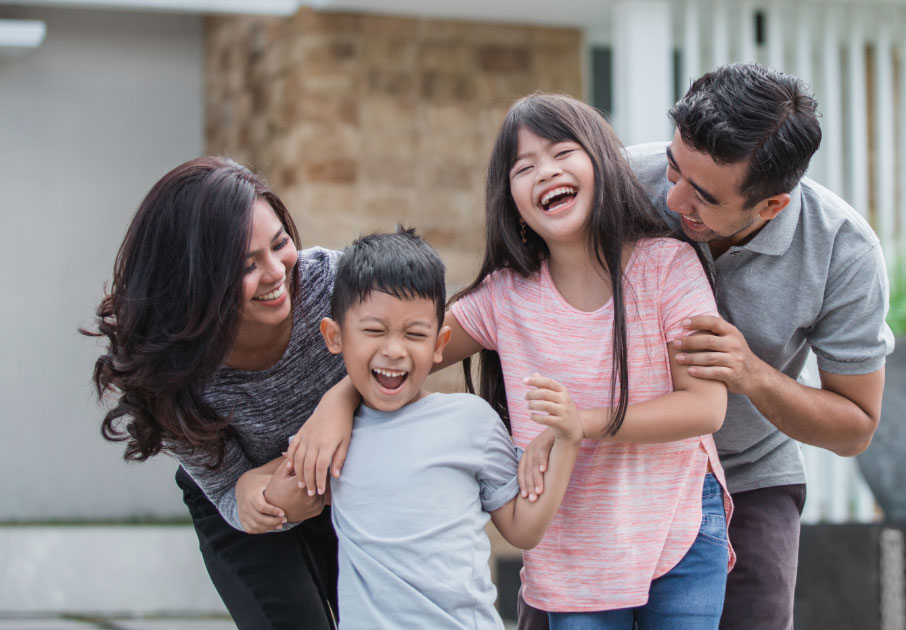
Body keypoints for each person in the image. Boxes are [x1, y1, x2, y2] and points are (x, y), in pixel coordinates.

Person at [287, 94, 735, 630]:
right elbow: (410, 350)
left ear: (602, 162)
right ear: (512, 199)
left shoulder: (667, 266)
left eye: (562, 153)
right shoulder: (504, 296)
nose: (545, 172)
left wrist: (582, 424)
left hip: (676, 523)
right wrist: (337, 400)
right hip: (570, 544)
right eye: (524, 167)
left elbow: (706, 408)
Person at [516, 63, 895, 630]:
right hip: (604, 470)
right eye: (673, 169)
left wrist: (754, 375)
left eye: (704, 197)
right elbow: (505, 294)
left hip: (745, 474)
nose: (671, 201)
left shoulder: (843, 252)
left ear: (771, 207)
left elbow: (856, 426)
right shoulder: (615, 183)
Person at [87, 156, 360, 629]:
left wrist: (342, 399)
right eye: (246, 265)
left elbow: (411, 357)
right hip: (237, 498)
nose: (276, 272)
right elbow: (237, 494)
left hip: (350, 477)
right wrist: (258, 495)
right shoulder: (166, 373)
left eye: (280, 244)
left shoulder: (340, 286)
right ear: (193, 279)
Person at [297, 228, 582, 630]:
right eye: (375, 331)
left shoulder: (472, 421)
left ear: (439, 343)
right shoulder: (331, 435)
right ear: (334, 336)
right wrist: (246, 489)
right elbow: (287, 496)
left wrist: (569, 440)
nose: (394, 350)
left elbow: (524, 528)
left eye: (414, 334)